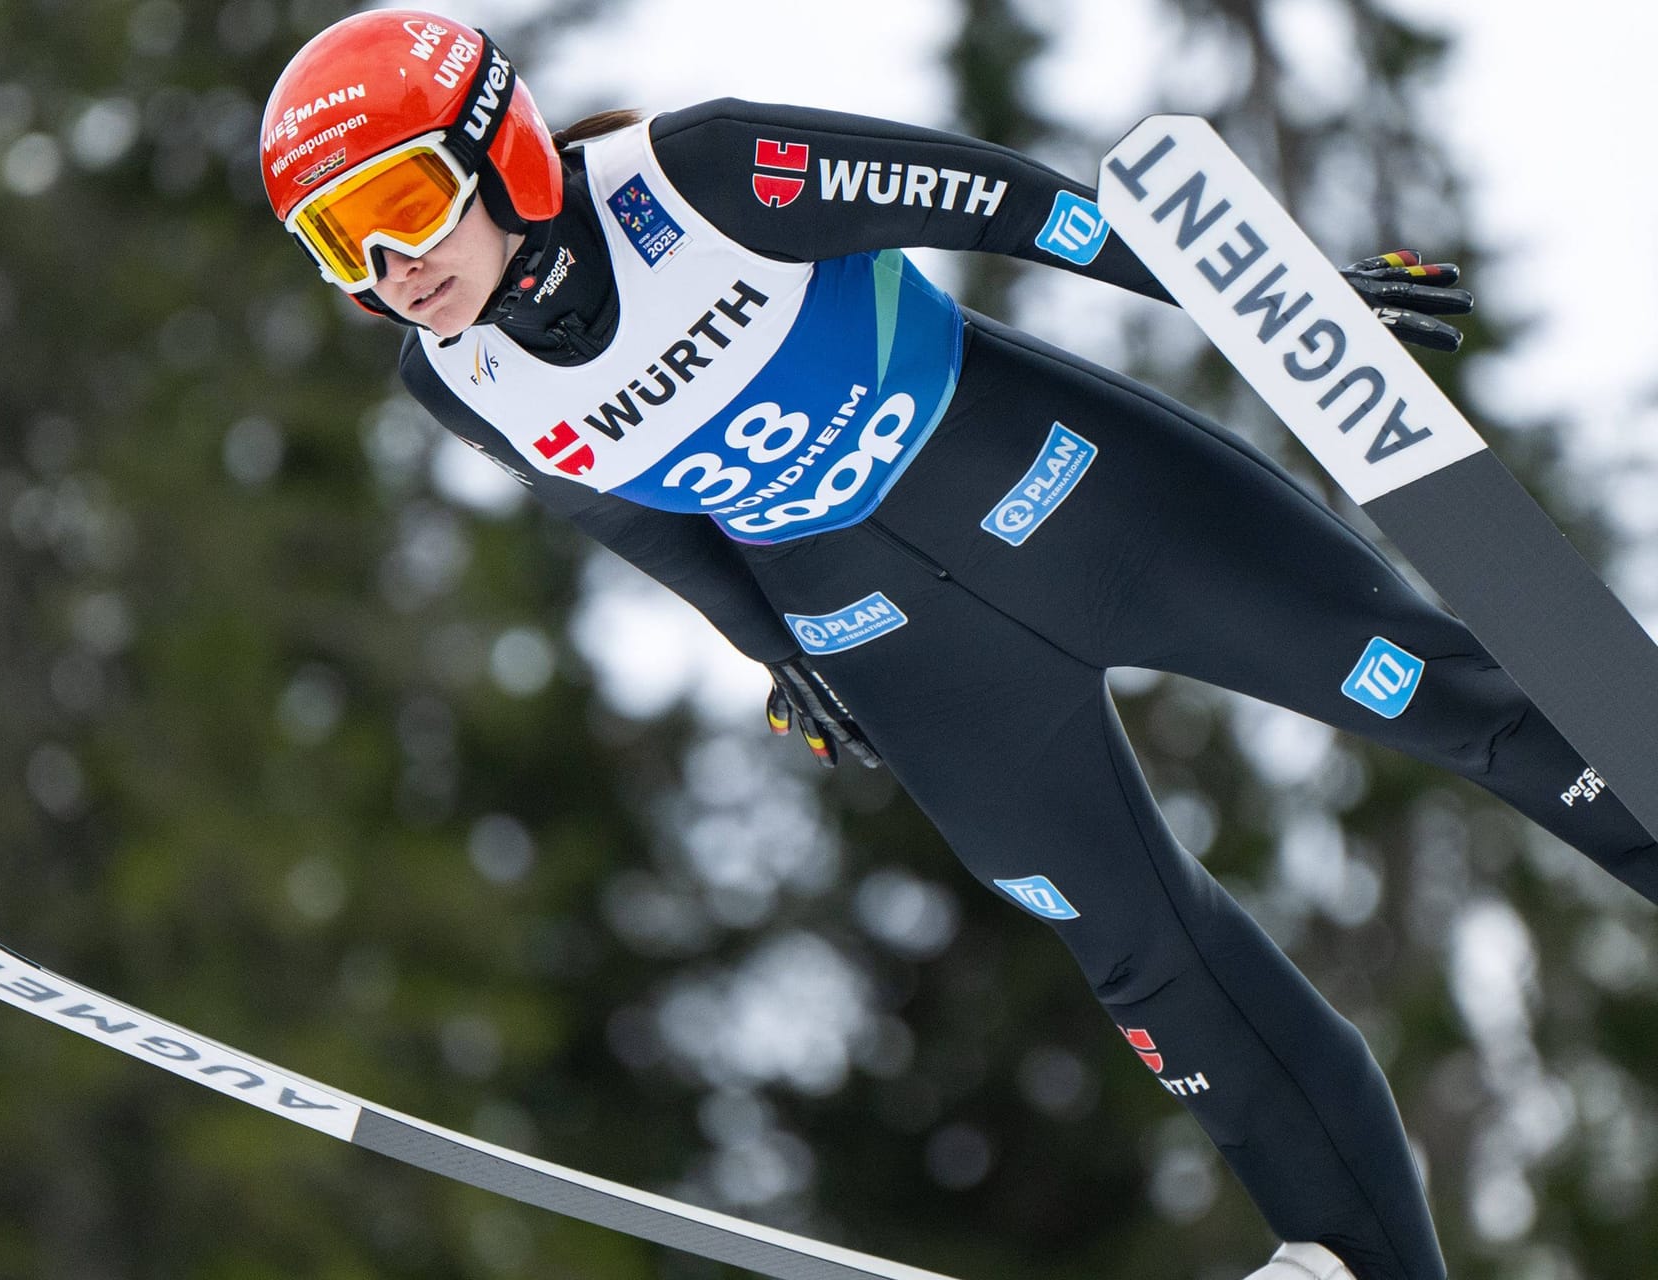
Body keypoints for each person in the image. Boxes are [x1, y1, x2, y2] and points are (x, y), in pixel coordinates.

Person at [258, 12, 1655, 1280]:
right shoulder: (456, 379)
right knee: (1144, 958)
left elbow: (1013, 205)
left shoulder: (709, 177)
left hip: (1076, 494)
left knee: (1452, 697)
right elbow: (636, 520)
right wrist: (773, 652)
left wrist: (1273, 306)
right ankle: (1358, 1263)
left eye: (403, 202)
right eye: (340, 243)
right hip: (898, 645)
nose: (392, 266)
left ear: (499, 149)